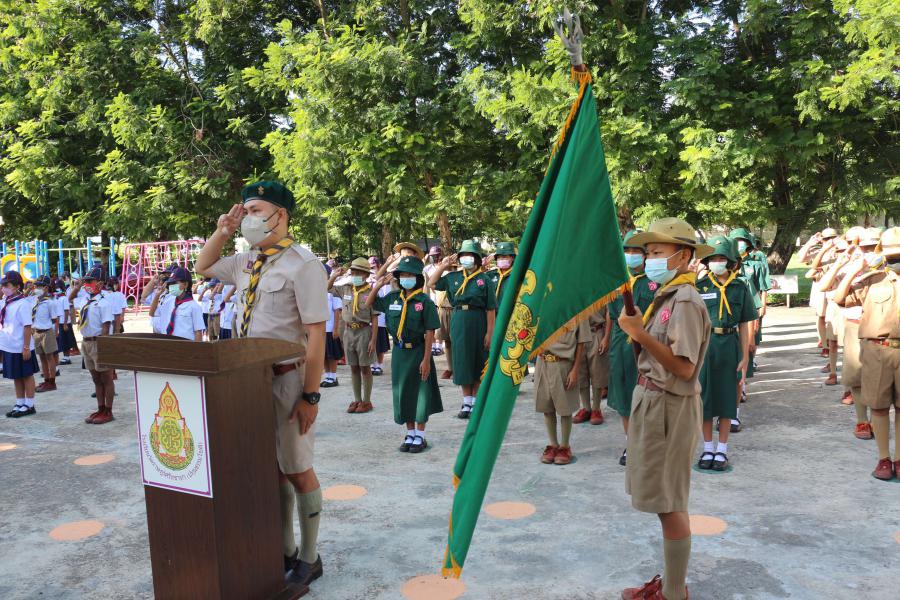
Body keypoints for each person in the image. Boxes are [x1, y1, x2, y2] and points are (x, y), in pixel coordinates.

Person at [196, 180, 328, 587]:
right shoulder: (246, 261)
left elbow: (316, 334)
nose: (247, 218)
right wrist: (222, 231)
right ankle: (284, 547)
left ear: (280, 214)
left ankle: (310, 557)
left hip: (288, 379)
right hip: (249, 382)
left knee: (298, 467)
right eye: (246, 211)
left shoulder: (303, 264)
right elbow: (203, 267)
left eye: (255, 210)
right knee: (273, 469)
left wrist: (310, 395)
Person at [617, 218, 712, 600]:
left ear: (683, 256)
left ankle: (673, 594)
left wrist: (639, 334)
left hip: (669, 407)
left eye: (657, 252)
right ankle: (674, 586)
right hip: (655, 402)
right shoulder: (669, 296)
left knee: (669, 503)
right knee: (665, 500)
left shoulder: (684, 301)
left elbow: (684, 368)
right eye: (649, 253)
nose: (649, 259)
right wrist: (640, 334)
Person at [834, 226, 900, 481]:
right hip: (877, 350)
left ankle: (899, 459)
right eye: (892, 256)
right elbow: (840, 298)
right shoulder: (872, 279)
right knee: (879, 408)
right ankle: (884, 459)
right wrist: (855, 270)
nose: (896, 260)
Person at [367, 255, 443, 452]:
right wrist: (378, 285)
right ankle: (410, 433)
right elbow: (370, 304)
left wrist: (426, 360)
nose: (405, 278)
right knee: (404, 392)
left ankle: (420, 436)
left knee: (421, 393)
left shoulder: (424, 302)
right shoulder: (393, 297)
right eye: (402, 275)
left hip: (418, 351)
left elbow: (430, 332)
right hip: (400, 353)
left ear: (417, 278)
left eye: (410, 275)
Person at [696, 236, 757, 471]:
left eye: (722, 258)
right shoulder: (700, 286)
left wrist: (745, 356)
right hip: (706, 346)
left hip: (730, 345)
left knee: (727, 398)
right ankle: (707, 447)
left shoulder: (739, 287)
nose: (717, 262)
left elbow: (744, 323)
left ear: (730, 261)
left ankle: (722, 449)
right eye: (713, 258)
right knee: (705, 398)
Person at [428, 240, 497, 418]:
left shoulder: (485, 280)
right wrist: (443, 266)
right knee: (463, 359)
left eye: (470, 255)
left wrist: (490, 333)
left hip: (478, 319)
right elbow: (432, 284)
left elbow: (490, 309)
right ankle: (467, 402)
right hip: (459, 318)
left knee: (478, 359)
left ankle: (476, 402)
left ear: (477, 258)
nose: (467, 258)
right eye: (463, 255)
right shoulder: (453, 277)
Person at [607, 230, 658, 466]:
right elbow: (611, 315)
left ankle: (648, 444)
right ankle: (631, 444)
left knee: (648, 396)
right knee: (624, 399)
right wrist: (606, 340)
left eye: (636, 251)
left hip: (647, 346)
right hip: (620, 346)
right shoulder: (617, 282)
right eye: (626, 250)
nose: (631, 255)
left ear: (645, 254)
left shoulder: (655, 282)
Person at [536, 318, 591, 465]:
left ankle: (565, 447)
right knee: (546, 407)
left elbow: (581, 342)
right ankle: (553, 444)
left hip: (564, 363)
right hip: (543, 362)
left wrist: (575, 369)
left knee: (565, 408)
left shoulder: (577, 309)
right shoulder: (543, 306)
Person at [327, 258, 378, 413]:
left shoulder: (371, 292)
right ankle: (357, 399)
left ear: (366, 275)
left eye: (359, 273)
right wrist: (334, 276)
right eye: (353, 272)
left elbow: (375, 318)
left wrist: (373, 340)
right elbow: (328, 288)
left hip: (364, 331)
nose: (355, 275)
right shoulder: (346, 289)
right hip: (349, 331)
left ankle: (367, 401)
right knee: (353, 367)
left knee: (365, 367)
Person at [69, 266, 116, 424]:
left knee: (106, 378)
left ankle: (108, 411)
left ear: (100, 283)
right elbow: (70, 299)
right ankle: (100, 408)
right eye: (86, 281)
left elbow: (106, 326)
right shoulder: (85, 299)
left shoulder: (104, 302)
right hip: (86, 342)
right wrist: (77, 287)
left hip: (99, 342)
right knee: (96, 378)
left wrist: (105, 348)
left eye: (91, 281)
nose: (87, 284)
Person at [1, 271, 39, 418]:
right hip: (10, 345)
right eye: (3, 285)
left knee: (26, 375)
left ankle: (29, 404)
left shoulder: (22, 303)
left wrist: (26, 347)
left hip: (21, 345)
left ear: (17, 286)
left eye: (7, 285)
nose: (3, 288)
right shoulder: (6, 302)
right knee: (16, 376)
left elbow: (27, 326)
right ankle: (20, 402)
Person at [149, 267, 205, 341]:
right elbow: (152, 313)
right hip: (168, 343)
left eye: (175, 283)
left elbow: (198, 332)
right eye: (170, 283)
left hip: (186, 345)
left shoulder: (194, 306)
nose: (171, 286)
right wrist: (157, 295)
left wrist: (197, 348)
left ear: (185, 284)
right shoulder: (168, 302)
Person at [575, 308, 609, 426]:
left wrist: (606, 337)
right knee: (580, 373)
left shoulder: (600, 294)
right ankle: (586, 408)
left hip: (596, 332)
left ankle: (596, 408)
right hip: (577, 334)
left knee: (597, 371)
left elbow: (609, 313)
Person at [31, 276, 61, 393]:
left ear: (46, 288)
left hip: (47, 332)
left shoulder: (50, 303)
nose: (36, 288)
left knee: (49, 357)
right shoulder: (35, 301)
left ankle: (52, 382)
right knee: (42, 358)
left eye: (39, 286)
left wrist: (55, 331)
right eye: (36, 286)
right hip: (36, 332)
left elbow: (54, 319)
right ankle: (46, 380)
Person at [423, 245, 446, 357]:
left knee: (441, 324)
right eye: (432, 256)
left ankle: (439, 345)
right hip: (431, 299)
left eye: (436, 255)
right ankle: (432, 345)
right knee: (431, 324)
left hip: (442, 300)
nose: (434, 257)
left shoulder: (445, 267)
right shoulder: (427, 268)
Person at [321, 274, 343, 388]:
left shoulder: (334, 292)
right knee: (324, 354)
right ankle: (327, 375)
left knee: (332, 355)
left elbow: (337, 312)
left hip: (330, 329)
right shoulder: (316, 292)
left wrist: (335, 328)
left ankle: (333, 377)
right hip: (320, 330)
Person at [53, 278, 75, 365]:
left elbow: (66, 311)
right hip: (58, 322)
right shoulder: (56, 298)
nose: (56, 288)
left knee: (66, 340)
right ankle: (64, 356)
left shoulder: (64, 298)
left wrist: (65, 323)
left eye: (58, 286)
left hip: (64, 322)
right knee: (61, 340)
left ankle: (67, 357)